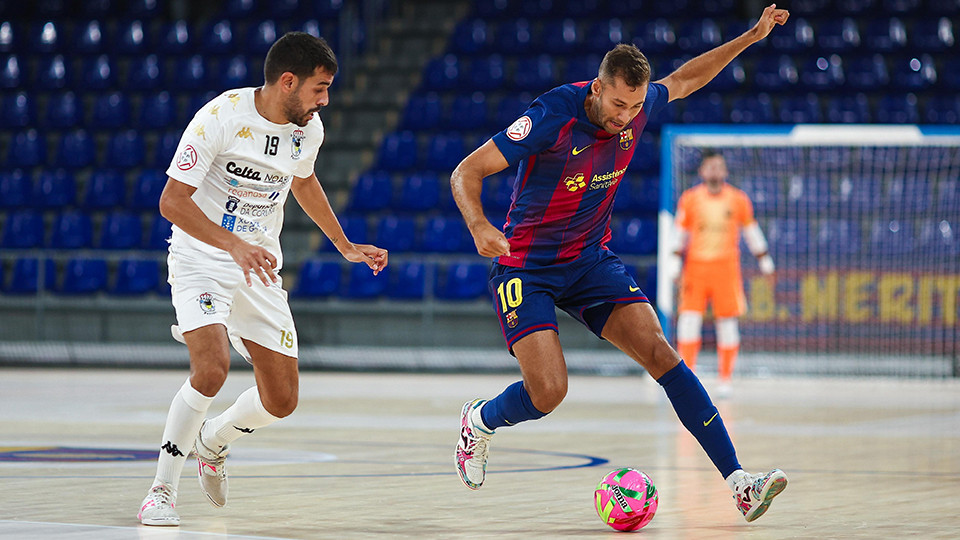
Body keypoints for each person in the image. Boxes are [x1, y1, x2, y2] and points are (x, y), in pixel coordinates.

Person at [450, 5, 789, 524]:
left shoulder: (638, 108)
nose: (625, 116)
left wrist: (751, 36)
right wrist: (479, 226)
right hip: (526, 266)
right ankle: (479, 421)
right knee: (549, 392)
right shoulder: (552, 115)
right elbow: (466, 172)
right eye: (617, 104)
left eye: (634, 107)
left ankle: (739, 483)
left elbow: (685, 78)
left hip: (588, 260)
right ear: (596, 88)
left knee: (660, 351)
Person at [138, 32, 388, 526]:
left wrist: (344, 244)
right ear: (288, 82)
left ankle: (214, 441)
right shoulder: (221, 117)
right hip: (202, 258)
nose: (325, 100)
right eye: (320, 88)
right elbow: (172, 202)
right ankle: (161, 491)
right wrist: (231, 243)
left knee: (282, 400)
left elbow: (303, 180)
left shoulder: (306, 130)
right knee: (210, 369)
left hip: (260, 266)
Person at [671, 150, 775, 398]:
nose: (715, 171)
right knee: (688, 323)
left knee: (727, 324)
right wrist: (674, 265)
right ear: (702, 171)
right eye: (710, 167)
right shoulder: (690, 199)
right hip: (695, 268)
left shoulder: (738, 199)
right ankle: (688, 378)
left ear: (725, 171)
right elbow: (679, 233)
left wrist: (766, 263)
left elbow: (751, 231)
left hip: (726, 269)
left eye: (719, 167)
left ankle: (725, 379)